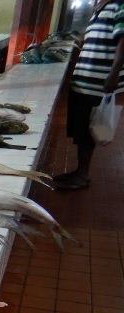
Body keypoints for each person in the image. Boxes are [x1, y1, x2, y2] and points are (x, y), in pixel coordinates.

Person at [54, 0, 124, 190]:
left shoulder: (119, 5)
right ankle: (80, 171)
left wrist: (114, 73)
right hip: (84, 79)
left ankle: (82, 175)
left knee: (87, 130)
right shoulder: (98, 8)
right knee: (81, 129)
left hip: (98, 81)